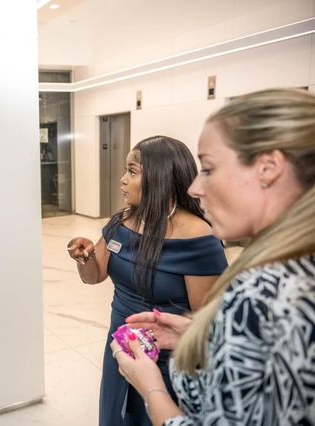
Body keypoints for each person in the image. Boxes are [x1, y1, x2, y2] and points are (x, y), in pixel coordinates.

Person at [112, 88, 315, 425]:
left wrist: (151, 388)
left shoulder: (264, 291)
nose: (195, 188)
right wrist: (208, 337)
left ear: (268, 168)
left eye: (208, 168)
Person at [67, 136, 227, 425]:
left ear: (160, 177)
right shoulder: (122, 222)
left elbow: (207, 323)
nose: (122, 180)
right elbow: (94, 277)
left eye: (132, 171)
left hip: (168, 358)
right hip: (120, 345)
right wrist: (85, 258)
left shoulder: (198, 239)